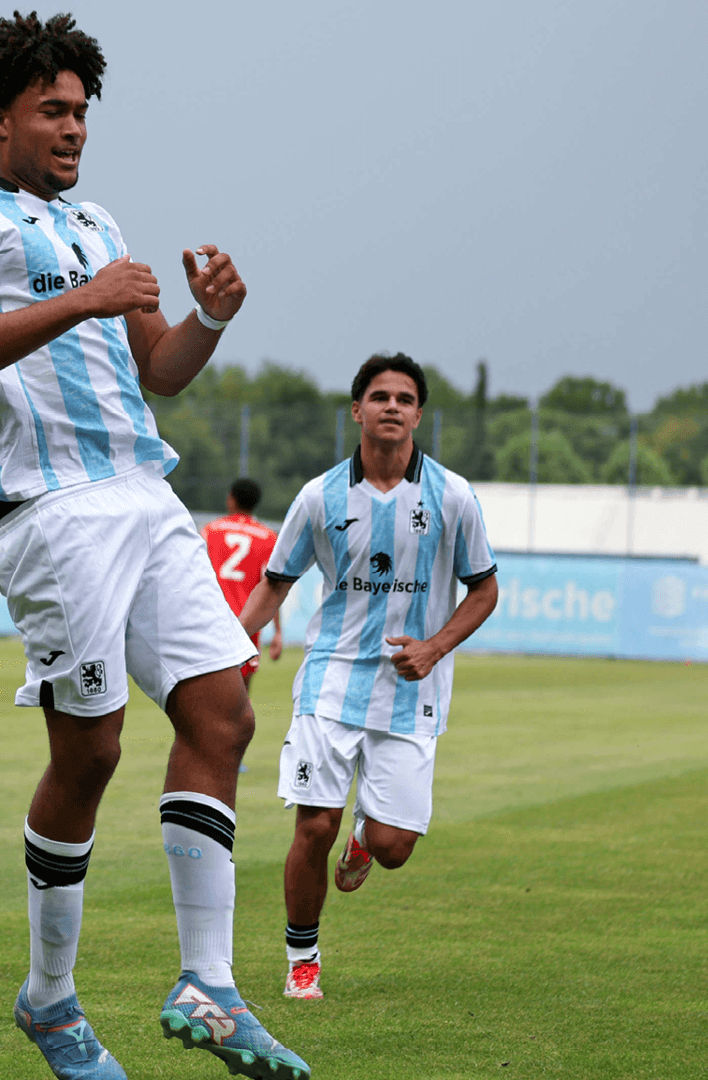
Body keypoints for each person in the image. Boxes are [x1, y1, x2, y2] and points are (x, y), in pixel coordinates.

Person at [0, 14, 306, 1079]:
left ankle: (208, 988)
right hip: (53, 512)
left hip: (142, 490)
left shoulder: (97, 222)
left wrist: (210, 320)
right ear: (0, 115)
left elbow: (161, 371)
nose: (73, 126)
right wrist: (85, 300)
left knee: (223, 707)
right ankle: (49, 1001)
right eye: (52, 108)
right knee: (88, 754)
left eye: (82, 110)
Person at [235, 354, 500, 1003]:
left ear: (417, 413)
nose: (391, 406)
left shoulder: (452, 497)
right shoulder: (319, 496)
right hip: (330, 682)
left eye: (404, 398)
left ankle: (366, 838)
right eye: (378, 396)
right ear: (357, 410)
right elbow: (276, 583)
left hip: (412, 692)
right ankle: (303, 960)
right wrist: (228, 646)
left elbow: (485, 590)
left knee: (394, 846)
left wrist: (435, 647)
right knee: (312, 827)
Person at [202, 479, 284, 690]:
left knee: (209, 690)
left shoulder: (211, 530)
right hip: (249, 623)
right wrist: (277, 631)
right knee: (240, 694)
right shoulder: (268, 537)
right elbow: (272, 585)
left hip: (212, 620)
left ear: (231, 499)